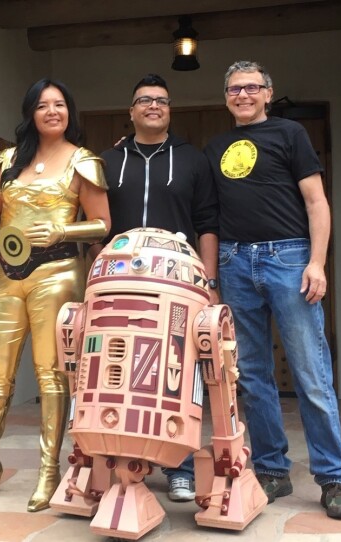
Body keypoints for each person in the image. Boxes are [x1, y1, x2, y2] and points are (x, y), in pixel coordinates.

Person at [203, 61, 341, 519]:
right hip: (234, 261)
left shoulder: (290, 134)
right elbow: (209, 219)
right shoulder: (215, 147)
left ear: (268, 93)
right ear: (226, 96)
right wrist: (212, 278)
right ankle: (272, 469)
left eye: (252, 87)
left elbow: (316, 201)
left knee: (311, 374)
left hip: (288, 257)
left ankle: (334, 478)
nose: (243, 95)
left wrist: (317, 262)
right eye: (234, 89)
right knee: (251, 377)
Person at [0, 79, 110, 513]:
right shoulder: (9, 160)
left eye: (60, 104)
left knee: (50, 374)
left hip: (58, 272)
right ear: (31, 113)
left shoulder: (83, 161)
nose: (52, 111)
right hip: (9, 274)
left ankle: (48, 471)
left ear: (70, 112)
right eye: (43, 105)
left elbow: (102, 224)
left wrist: (63, 229)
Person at [91, 74, 219, 503]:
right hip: (121, 282)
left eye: (161, 101)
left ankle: (179, 466)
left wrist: (211, 283)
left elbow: (207, 224)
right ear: (131, 111)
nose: (153, 106)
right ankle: (127, 465)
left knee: (177, 376)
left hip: (178, 284)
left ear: (169, 110)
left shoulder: (192, 160)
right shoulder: (107, 161)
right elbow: (96, 226)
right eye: (144, 100)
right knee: (121, 372)